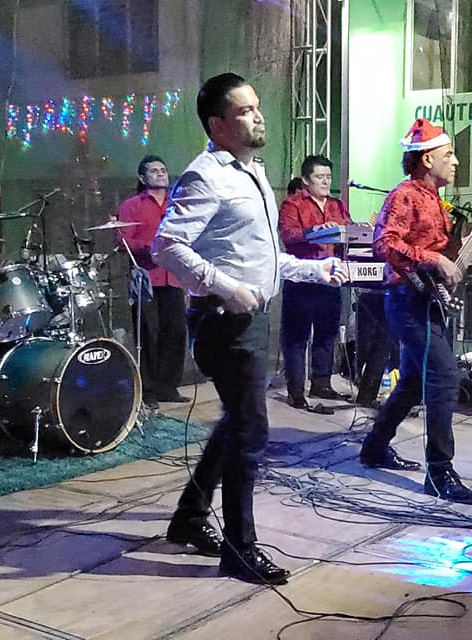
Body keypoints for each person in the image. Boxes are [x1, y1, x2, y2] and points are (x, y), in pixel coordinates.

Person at [152, 73, 347, 585]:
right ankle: (239, 550)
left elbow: (262, 258)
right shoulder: (205, 177)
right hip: (225, 323)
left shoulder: (253, 173)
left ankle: (189, 518)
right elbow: (166, 246)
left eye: (257, 107)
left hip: (249, 318)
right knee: (250, 431)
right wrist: (225, 287)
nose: (258, 116)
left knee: (236, 424)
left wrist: (315, 270)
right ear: (217, 124)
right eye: (244, 111)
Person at [356, 118, 472, 505]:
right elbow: (384, 244)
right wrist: (433, 259)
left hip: (425, 300)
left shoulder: (435, 201)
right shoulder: (405, 196)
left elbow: (438, 252)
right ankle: (439, 472)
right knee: (444, 377)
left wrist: (468, 244)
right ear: (427, 159)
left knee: (412, 382)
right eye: (449, 154)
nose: (455, 161)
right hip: (407, 300)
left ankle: (374, 447)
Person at [278, 154, 353, 412]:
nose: (325, 182)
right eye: (320, 177)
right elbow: (288, 235)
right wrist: (315, 232)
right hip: (302, 278)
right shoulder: (293, 204)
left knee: (327, 333)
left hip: (331, 279)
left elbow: (348, 231)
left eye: (328, 177)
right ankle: (296, 391)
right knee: (297, 337)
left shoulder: (337, 205)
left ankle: (321, 383)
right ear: (306, 180)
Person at [118, 154, 188, 409]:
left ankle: (168, 386)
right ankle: (147, 389)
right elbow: (124, 240)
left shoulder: (177, 204)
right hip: (146, 278)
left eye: (163, 170)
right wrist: (152, 248)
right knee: (147, 334)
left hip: (173, 276)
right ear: (142, 177)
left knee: (176, 331)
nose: (160, 174)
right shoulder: (132, 205)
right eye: (154, 171)